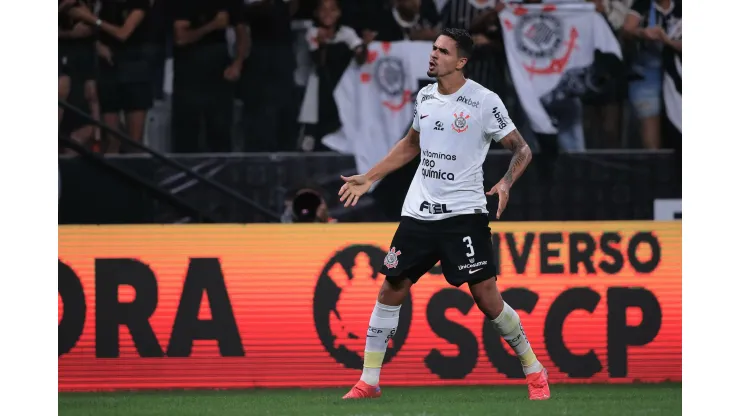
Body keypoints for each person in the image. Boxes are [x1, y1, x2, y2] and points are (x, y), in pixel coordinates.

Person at [337, 28, 549, 401]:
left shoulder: (484, 101)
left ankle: (534, 370)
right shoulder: (425, 96)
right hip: (419, 212)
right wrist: (370, 177)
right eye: (433, 49)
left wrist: (505, 184)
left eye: (442, 51)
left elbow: (522, 149)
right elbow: (411, 145)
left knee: (487, 299)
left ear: (461, 61)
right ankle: (368, 381)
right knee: (392, 287)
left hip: (464, 215)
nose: (433, 56)